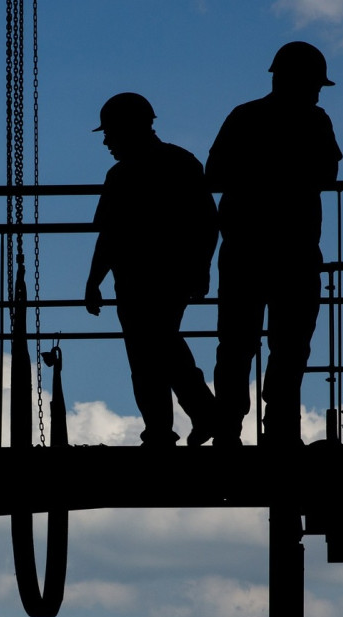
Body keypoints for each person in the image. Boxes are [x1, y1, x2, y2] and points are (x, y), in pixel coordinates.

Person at [206, 41, 343, 447]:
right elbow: (327, 175)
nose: (318, 92)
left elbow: (213, 176)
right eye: (315, 84)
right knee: (290, 345)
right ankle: (280, 429)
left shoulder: (245, 117)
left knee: (236, 345)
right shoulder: (315, 122)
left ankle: (229, 430)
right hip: (294, 252)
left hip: (246, 250)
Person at [84, 92, 218, 447]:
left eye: (110, 133)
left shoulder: (122, 175)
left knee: (150, 353)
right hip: (164, 277)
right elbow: (208, 223)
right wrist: (201, 270)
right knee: (160, 347)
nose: (106, 141)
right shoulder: (179, 163)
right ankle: (194, 418)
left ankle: (170, 427)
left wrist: (94, 281)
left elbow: (109, 237)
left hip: (138, 279)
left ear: (128, 129)